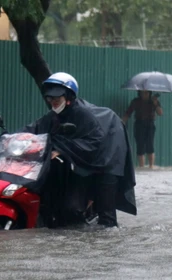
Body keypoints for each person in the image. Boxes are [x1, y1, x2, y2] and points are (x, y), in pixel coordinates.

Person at [21, 72, 137, 227]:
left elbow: (94, 141)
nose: (53, 101)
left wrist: (62, 149)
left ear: (69, 97)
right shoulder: (54, 116)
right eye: (50, 98)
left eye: (58, 98)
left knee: (106, 218)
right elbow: (34, 129)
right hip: (82, 162)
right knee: (70, 209)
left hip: (108, 158)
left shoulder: (84, 115)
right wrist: (11, 140)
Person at [122, 90, 163, 169]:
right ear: (139, 93)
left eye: (147, 92)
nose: (145, 94)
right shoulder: (136, 101)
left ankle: (151, 166)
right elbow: (128, 113)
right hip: (139, 124)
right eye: (143, 92)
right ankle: (142, 167)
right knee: (140, 146)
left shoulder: (153, 100)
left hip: (150, 124)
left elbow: (160, 113)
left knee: (150, 145)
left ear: (149, 93)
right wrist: (122, 121)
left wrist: (155, 103)